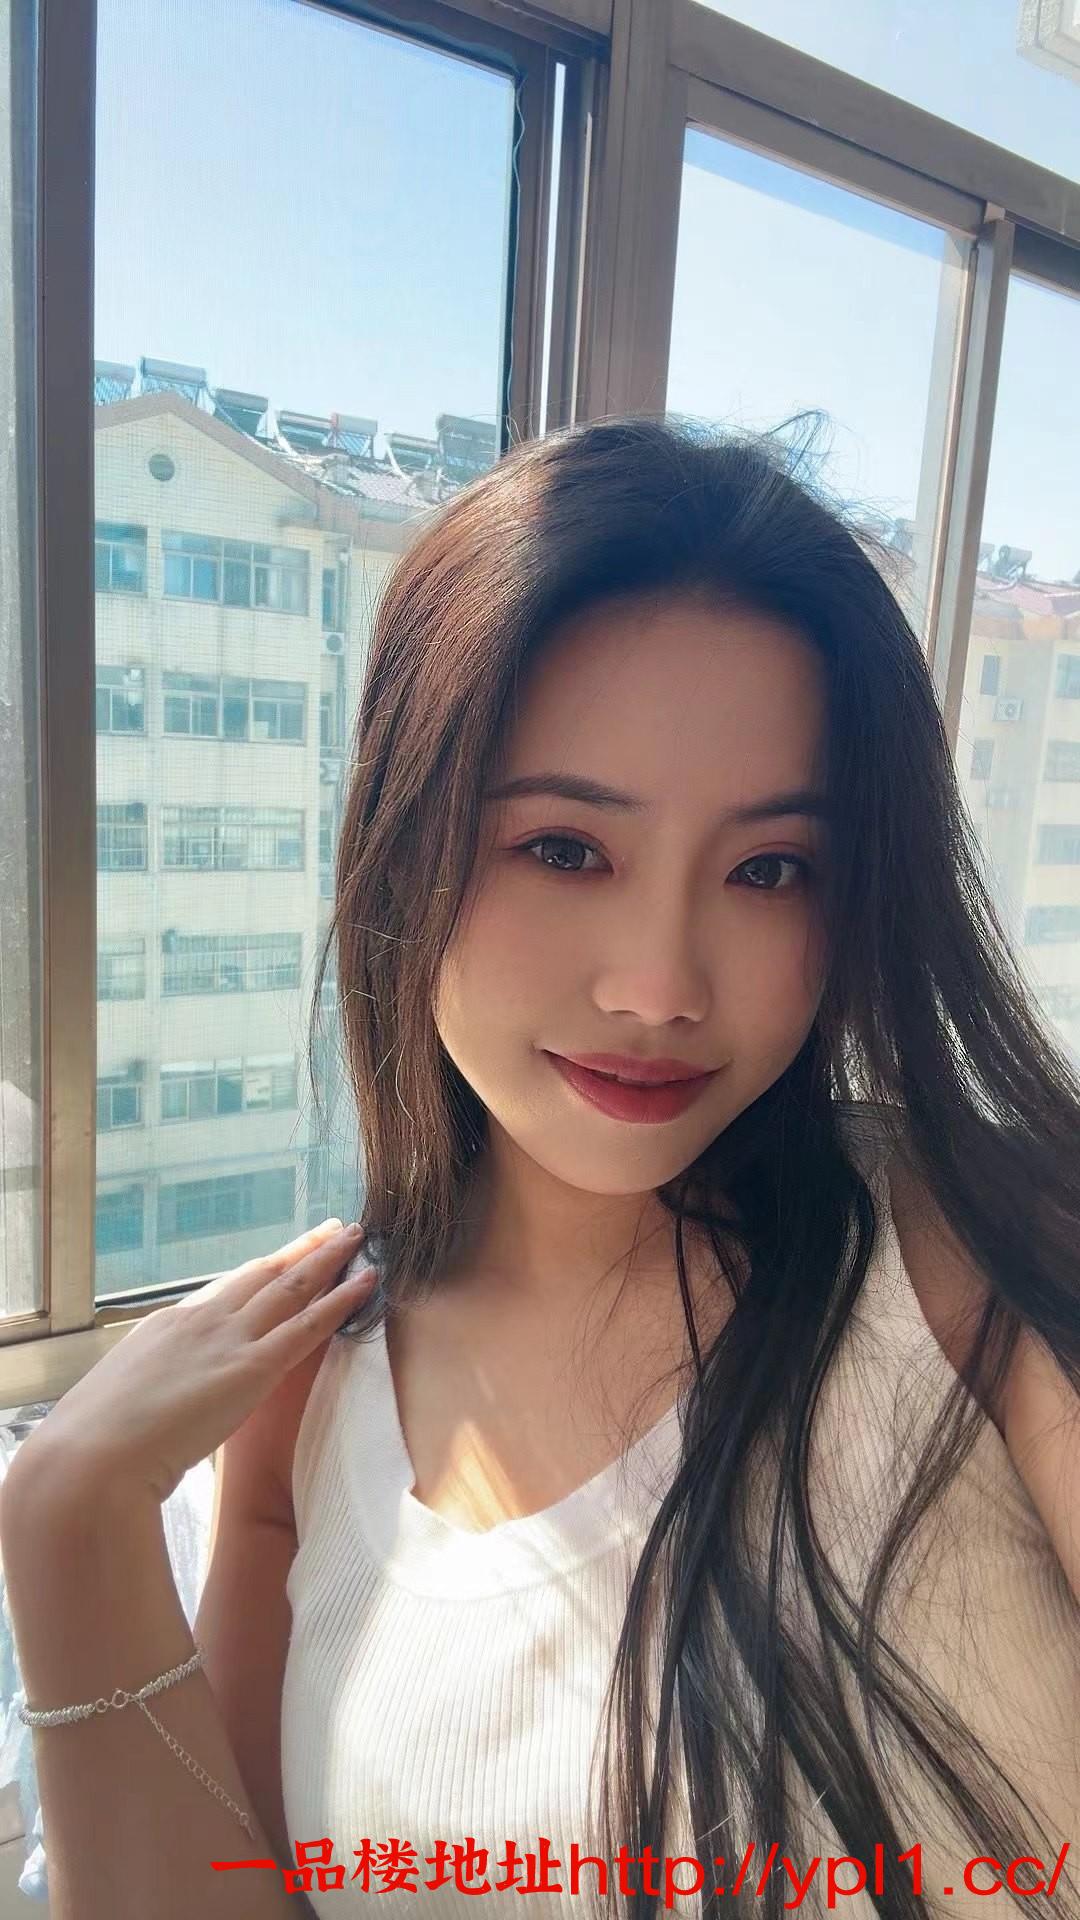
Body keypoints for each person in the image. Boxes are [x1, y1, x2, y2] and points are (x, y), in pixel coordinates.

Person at [2, 413, 1078, 1920]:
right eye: (565, 849)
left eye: (771, 870)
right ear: (406, 842)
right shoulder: (302, 1408)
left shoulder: (972, 1256)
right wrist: (69, 1515)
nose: (660, 986)